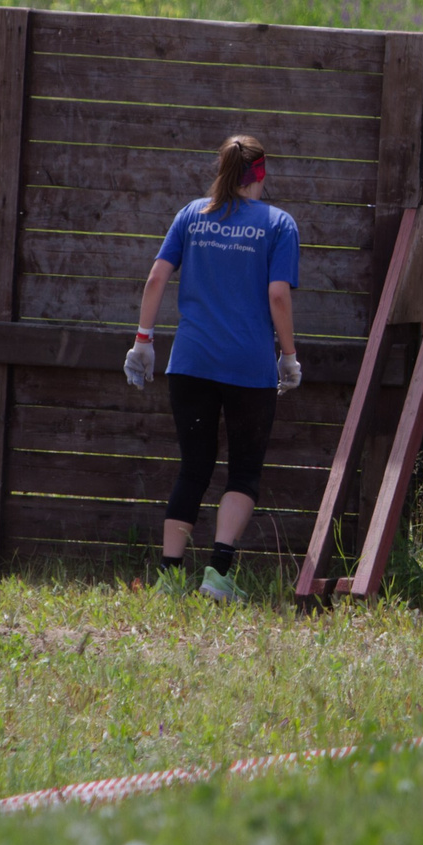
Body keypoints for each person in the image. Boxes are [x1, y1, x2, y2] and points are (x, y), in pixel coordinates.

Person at [123, 135, 304, 601]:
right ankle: (218, 576)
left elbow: (156, 277)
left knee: (194, 467)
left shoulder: (191, 214)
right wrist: (287, 355)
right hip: (248, 367)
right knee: (243, 472)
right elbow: (278, 295)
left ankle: (168, 577)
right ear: (260, 173)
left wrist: (143, 341)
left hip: (191, 362)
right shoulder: (278, 224)